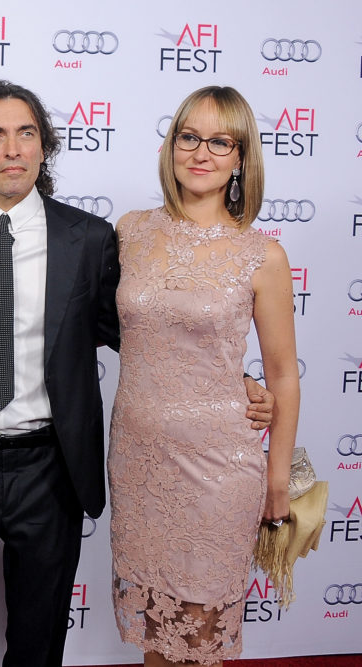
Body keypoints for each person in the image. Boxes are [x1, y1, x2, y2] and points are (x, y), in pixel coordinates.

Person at [0, 80, 274, 667]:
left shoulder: (89, 239)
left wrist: (233, 382)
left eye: (26, 134)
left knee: (39, 639)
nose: (12, 149)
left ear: (43, 148)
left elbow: (141, 330)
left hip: (49, 468)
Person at [108, 86, 299, 667]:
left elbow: (284, 376)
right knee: (157, 643)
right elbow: (114, 326)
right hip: (138, 462)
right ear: (172, 146)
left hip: (218, 470)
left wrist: (277, 480)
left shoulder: (261, 255)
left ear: (242, 157)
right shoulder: (130, 232)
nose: (201, 152)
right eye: (189, 136)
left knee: (199, 640)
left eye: (221, 141)